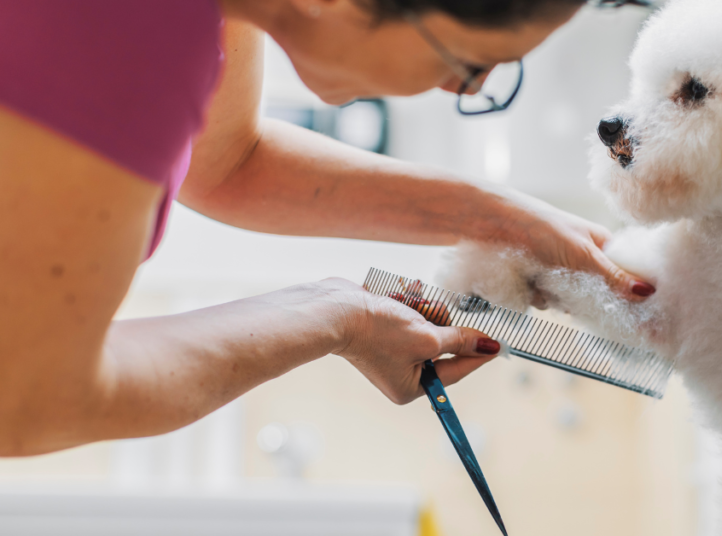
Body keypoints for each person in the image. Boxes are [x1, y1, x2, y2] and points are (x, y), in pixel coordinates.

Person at [0, 0, 654, 457]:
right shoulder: (134, 27)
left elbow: (227, 163)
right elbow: (31, 397)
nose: (460, 89)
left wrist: (505, 218)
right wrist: (333, 317)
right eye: (469, 63)